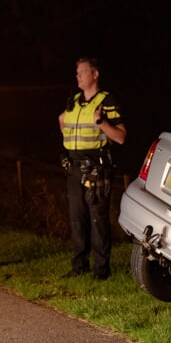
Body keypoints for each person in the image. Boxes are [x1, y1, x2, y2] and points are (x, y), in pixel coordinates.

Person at [58, 56, 126, 279]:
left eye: (82, 72)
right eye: (77, 72)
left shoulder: (107, 101)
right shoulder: (74, 100)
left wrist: (101, 123)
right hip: (74, 167)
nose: (78, 76)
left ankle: (101, 269)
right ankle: (79, 266)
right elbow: (64, 124)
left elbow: (121, 137)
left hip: (95, 169)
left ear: (95, 74)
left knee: (97, 219)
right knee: (77, 218)